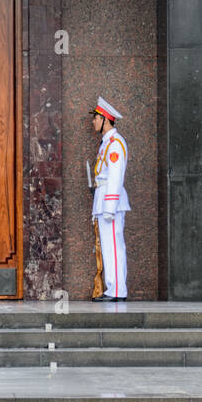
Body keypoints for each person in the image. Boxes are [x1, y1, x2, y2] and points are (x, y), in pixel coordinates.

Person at [90, 97, 129, 301]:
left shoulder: (115, 144)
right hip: (103, 199)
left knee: (113, 246)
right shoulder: (107, 144)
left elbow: (115, 176)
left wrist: (110, 206)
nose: (93, 122)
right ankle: (112, 288)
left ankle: (117, 290)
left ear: (106, 119)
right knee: (108, 246)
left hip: (110, 202)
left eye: (96, 118)